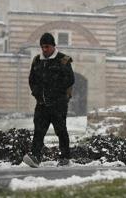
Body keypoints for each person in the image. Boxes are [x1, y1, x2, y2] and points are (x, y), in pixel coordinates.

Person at [23, 32, 75, 167]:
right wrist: (37, 93)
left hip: (58, 104)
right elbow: (32, 80)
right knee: (39, 131)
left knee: (61, 130)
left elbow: (69, 80)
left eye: (47, 47)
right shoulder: (37, 61)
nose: (44, 50)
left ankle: (65, 157)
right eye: (42, 47)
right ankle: (35, 157)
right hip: (41, 104)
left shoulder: (63, 60)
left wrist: (56, 94)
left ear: (53, 46)